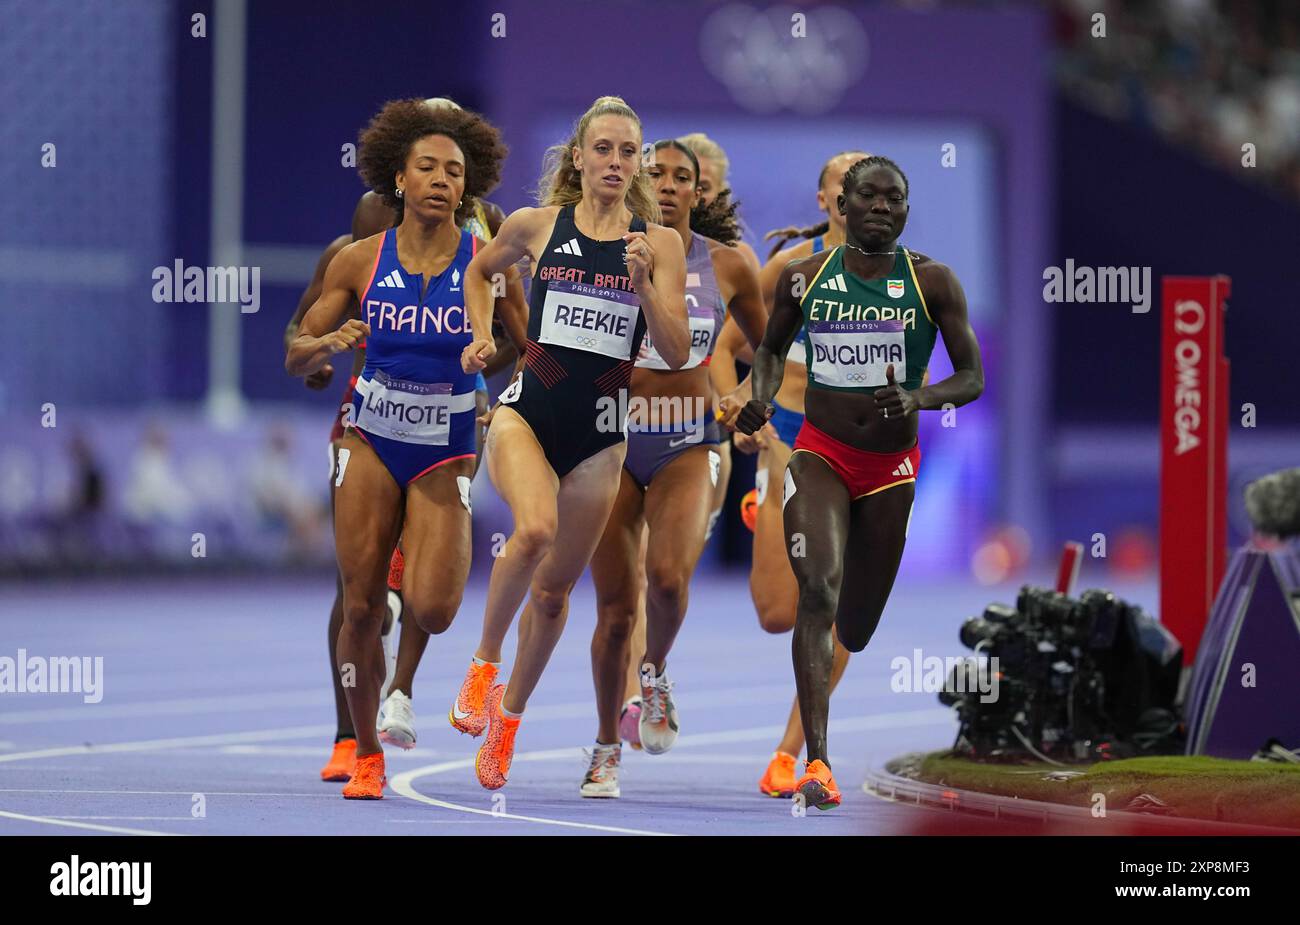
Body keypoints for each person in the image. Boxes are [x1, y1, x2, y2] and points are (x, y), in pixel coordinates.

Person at [449, 95, 689, 792]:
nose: (615, 162)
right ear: (578, 157)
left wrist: (644, 285)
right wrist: (481, 333)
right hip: (529, 411)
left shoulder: (660, 243)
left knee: (553, 595)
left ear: (637, 164)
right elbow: (479, 270)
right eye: (604, 149)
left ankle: (509, 720)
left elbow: (673, 351)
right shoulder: (536, 226)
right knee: (532, 530)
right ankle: (482, 665)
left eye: (627, 152)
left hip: (601, 435)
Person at [285, 98, 528, 781]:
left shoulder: (491, 259)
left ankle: (405, 675)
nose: (441, 179)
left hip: (448, 439)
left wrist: (499, 385)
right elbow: (296, 351)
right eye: (427, 167)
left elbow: (531, 345)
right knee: (358, 603)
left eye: (454, 170)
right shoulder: (360, 257)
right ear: (399, 179)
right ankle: (361, 750)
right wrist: (323, 346)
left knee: (437, 607)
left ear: (468, 184)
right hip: (368, 433)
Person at [731, 155, 984, 810]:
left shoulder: (934, 283)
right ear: (839, 207)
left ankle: (809, 742)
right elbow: (765, 349)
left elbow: (972, 377)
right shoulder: (803, 278)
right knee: (817, 588)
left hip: (890, 471)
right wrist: (757, 398)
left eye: (892, 197)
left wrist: (922, 395)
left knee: (857, 623)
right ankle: (816, 760)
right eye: (865, 195)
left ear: (905, 207)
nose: (879, 205)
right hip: (819, 453)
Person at [581, 139, 766, 797]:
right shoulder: (600, 250)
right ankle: (605, 745)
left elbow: (769, 340)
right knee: (614, 609)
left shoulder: (729, 263)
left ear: (699, 192)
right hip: (611, 442)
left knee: (664, 580)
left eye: (680, 176)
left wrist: (750, 395)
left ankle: (653, 674)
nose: (664, 183)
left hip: (690, 441)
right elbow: (553, 335)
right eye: (652, 172)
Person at [713, 151, 867, 797]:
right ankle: (765, 508)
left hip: (861, 451)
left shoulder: (910, 280)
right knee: (778, 612)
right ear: (824, 199)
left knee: (842, 607)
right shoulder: (790, 271)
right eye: (847, 188)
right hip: (791, 442)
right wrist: (734, 408)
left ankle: (795, 752)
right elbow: (728, 350)